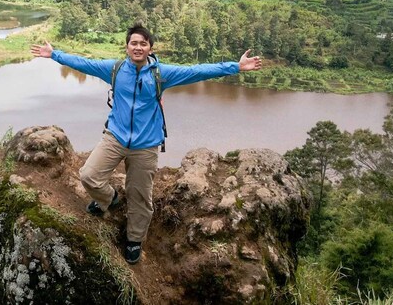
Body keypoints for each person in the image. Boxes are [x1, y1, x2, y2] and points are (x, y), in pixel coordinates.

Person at [30, 23, 262, 265]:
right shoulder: (115, 69)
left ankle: (134, 240)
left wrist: (236, 67)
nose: (138, 47)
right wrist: (54, 54)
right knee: (89, 175)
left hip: (146, 145)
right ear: (127, 46)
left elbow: (198, 71)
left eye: (143, 43)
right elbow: (83, 63)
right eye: (134, 43)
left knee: (140, 196)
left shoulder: (160, 73)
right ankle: (110, 199)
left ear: (150, 48)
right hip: (115, 137)